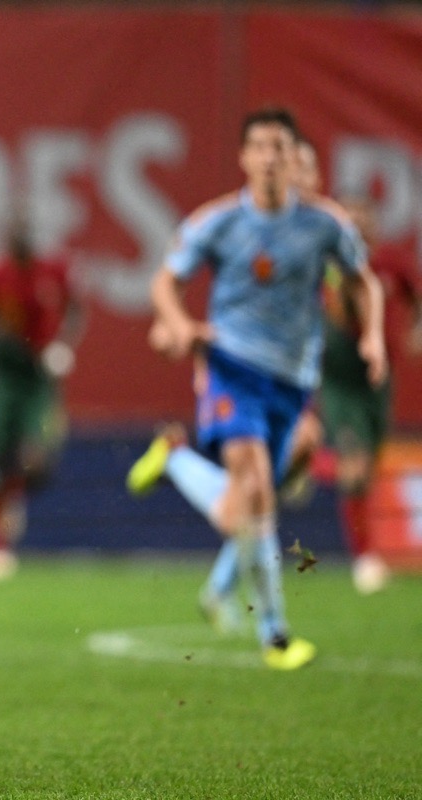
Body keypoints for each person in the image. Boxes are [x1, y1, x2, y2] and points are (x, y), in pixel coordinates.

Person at [125, 107, 385, 670]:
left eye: (282, 151)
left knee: (244, 506)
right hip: (231, 372)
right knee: (259, 491)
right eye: (261, 148)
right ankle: (275, 635)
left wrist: (374, 339)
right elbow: (166, 284)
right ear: (245, 157)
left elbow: (359, 282)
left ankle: (175, 461)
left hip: (291, 384)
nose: (272, 161)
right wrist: (176, 326)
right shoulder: (219, 222)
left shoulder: (322, 227)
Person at [0, 210, 84, 581]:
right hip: (1, 375)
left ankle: (13, 498)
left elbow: (76, 310)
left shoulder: (53, 272)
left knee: (38, 460)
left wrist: (62, 345)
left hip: (39, 377)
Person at [319, 196, 422, 594]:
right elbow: (338, 316)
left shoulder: (393, 264)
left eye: (364, 222)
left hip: (379, 381)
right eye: (350, 223)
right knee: (356, 466)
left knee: (368, 467)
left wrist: (412, 331)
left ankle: (311, 462)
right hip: (342, 380)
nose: (358, 229)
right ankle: (365, 557)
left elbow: (415, 298)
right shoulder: (332, 269)